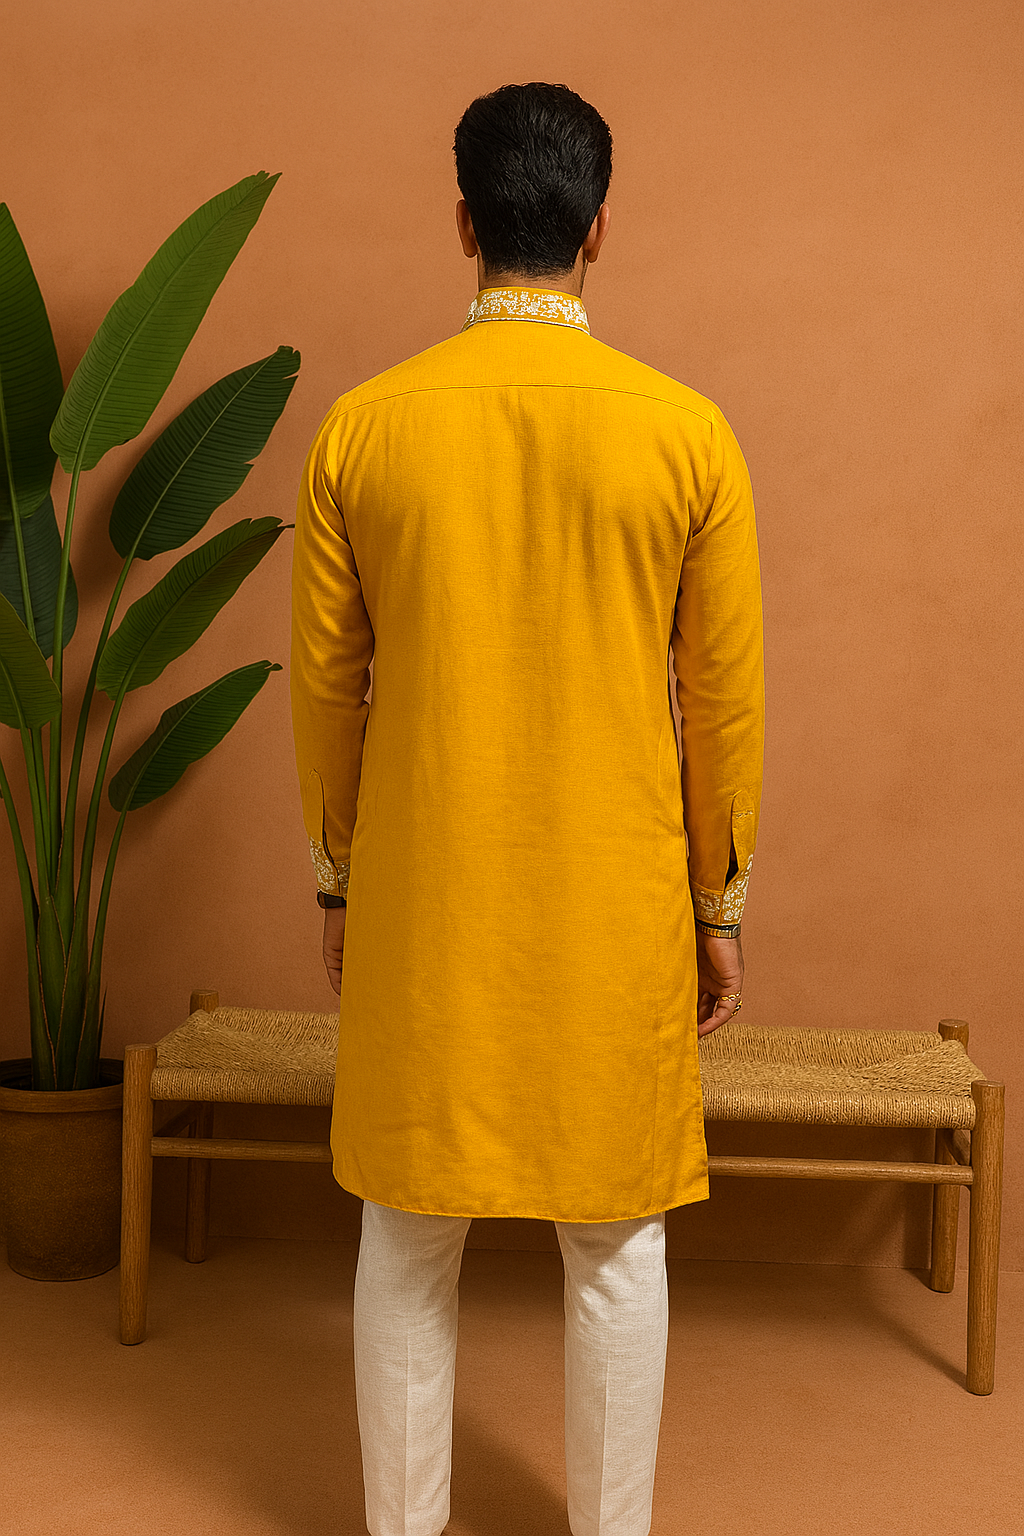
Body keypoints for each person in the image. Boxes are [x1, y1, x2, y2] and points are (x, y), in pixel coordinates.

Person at [290, 81, 764, 1536]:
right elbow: (725, 706)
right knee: (614, 1248)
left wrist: (339, 881)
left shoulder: (363, 433)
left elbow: (328, 694)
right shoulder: (688, 437)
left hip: (428, 891)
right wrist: (717, 906)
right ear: (597, 229)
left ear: (464, 223)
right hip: (615, 903)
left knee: (406, 1234)